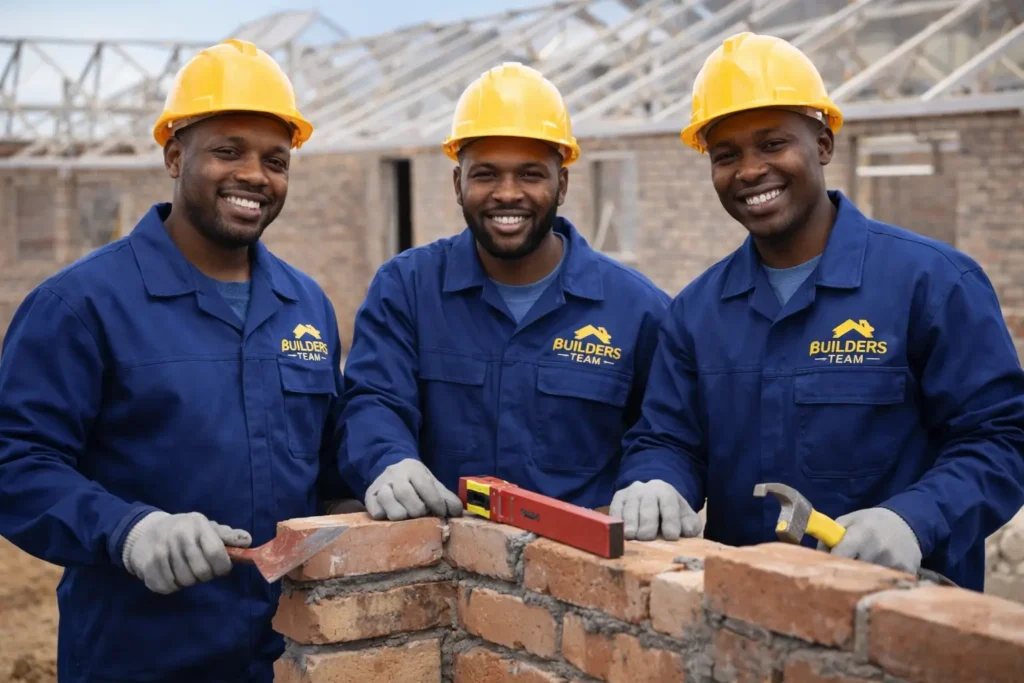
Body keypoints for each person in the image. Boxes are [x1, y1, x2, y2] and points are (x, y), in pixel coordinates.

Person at [611, 32, 1024, 591]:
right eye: (726, 155)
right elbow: (667, 439)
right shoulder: (696, 313)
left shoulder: (932, 284)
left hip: (904, 616)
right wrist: (654, 479)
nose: (750, 170)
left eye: (773, 143)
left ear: (823, 144)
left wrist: (914, 519)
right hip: (747, 618)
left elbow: (1001, 438)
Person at [0, 39, 350, 682]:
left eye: (276, 160)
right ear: (173, 155)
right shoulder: (80, 305)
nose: (255, 175)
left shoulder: (306, 305)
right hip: (139, 656)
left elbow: (329, 463)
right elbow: (16, 463)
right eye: (227, 151)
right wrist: (129, 529)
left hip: (287, 656)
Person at [338, 62, 670, 521]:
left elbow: (662, 433)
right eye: (486, 175)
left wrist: (654, 482)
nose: (507, 193)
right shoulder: (407, 290)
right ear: (459, 185)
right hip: (443, 565)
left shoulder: (637, 309)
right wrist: (387, 461)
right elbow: (373, 401)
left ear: (562, 184)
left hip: (582, 570)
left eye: (531, 175)